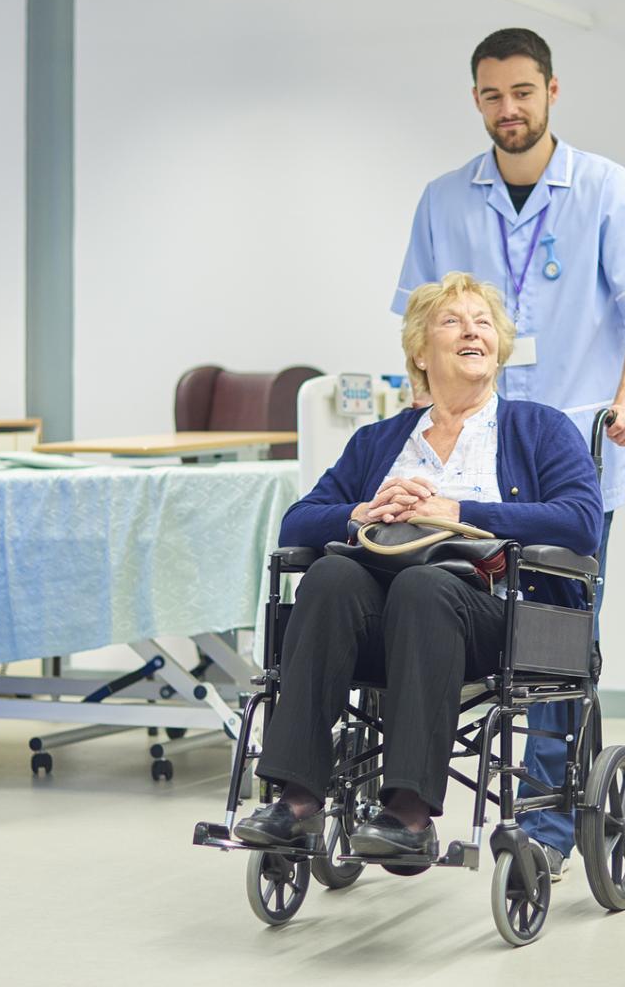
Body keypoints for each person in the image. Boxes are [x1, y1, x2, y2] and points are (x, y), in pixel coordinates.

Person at [391, 28, 625, 868]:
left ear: (553, 91)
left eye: (522, 92)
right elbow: (416, 333)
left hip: (568, 459)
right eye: (491, 96)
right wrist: (414, 417)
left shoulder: (608, 191)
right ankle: (403, 792)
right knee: (439, 615)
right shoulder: (444, 199)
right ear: (476, 100)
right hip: (468, 461)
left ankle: (547, 823)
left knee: (552, 642)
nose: (507, 110)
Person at [235, 273, 602, 859]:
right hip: (381, 627)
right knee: (331, 576)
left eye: (483, 322)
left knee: (424, 586)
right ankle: (298, 801)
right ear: (419, 352)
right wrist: (362, 512)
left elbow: (581, 520)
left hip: (491, 621)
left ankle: (408, 814)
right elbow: (297, 523)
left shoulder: (538, 428)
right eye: (452, 322)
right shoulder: (379, 441)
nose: (472, 331)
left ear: (499, 346)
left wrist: (457, 510)